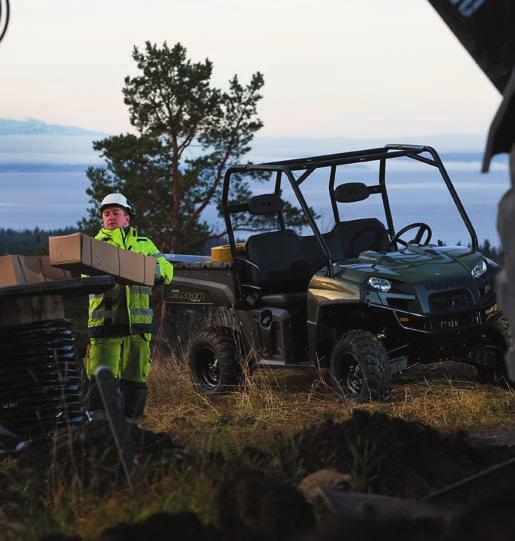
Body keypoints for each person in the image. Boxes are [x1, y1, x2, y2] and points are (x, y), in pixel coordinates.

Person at [85, 193, 173, 423]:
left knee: (135, 378)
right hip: (106, 324)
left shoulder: (144, 244)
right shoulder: (95, 245)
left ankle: (133, 425)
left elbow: (166, 267)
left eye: (116, 213)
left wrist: (155, 273)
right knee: (102, 376)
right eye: (106, 214)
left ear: (127, 218)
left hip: (138, 326)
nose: (110, 217)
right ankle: (100, 427)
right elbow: (84, 275)